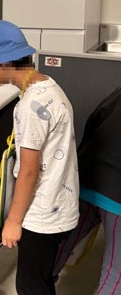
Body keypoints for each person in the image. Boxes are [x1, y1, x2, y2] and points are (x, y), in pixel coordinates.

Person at [0, 20, 79, 295]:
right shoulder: (49, 86)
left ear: (4, 62)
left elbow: (29, 170)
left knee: (30, 286)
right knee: (40, 279)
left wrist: (13, 221)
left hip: (42, 214)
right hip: (60, 204)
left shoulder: (30, 106)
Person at [53, 85, 121, 294]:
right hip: (117, 198)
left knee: (59, 247)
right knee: (116, 272)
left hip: (86, 179)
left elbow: (94, 120)